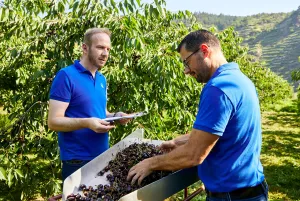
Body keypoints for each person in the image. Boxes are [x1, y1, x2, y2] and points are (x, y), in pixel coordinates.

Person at [127, 29, 268, 201]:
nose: (186, 71)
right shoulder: (239, 79)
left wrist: (151, 163)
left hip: (232, 196)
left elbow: (194, 155)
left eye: (187, 62)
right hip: (250, 190)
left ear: (204, 50)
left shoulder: (218, 89)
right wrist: (178, 141)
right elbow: (222, 131)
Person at [48, 28, 132, 181]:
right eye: (100, 47)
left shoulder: (102, 79)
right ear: (85, 48)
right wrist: (87, 123)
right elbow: (53, 121)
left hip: (102, 158)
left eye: (108, 49)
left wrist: (116, 116)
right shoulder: (66, 76)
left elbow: (102, 113)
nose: (105, 53)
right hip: (77, 162)